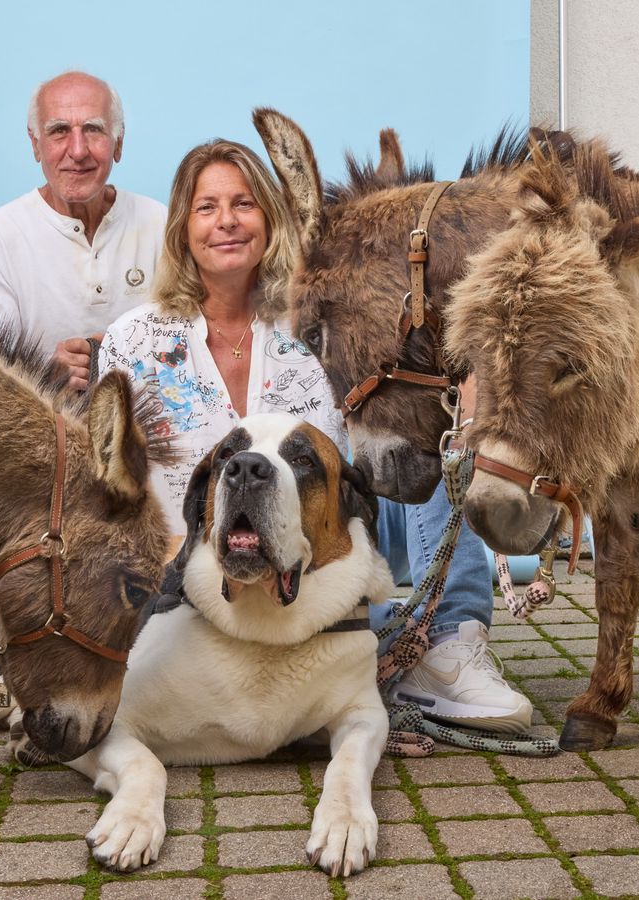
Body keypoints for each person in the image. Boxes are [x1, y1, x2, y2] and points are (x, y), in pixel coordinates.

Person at [100, 139, 531, 733]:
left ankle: (447, 645)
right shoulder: (132, 341)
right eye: (207, 207)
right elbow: (113, 492)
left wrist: (472, 386)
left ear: (270, 221)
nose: (226, 220)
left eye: (244, 203)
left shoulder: (321, 323)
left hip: (325, 555)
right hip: (191, 570)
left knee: (434, 431)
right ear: (182, 228)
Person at [0, 71, 166, 390]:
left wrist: (127, 355)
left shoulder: (161, 223)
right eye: (59, 131)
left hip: (149, 430)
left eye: (93, 130)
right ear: (36, 145)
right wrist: (44, 375)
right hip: (40, 432)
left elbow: (197, 343)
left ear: (118, 143)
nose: (78, 150)